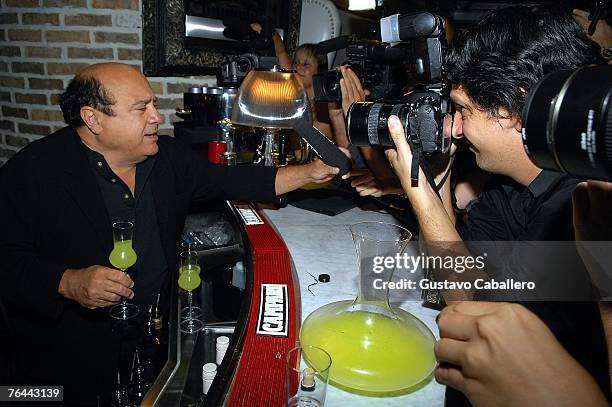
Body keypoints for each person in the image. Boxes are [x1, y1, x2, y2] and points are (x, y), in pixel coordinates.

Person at [0, 62, 341, 406]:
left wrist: (311, 171)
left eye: (152, 104)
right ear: (94, 119)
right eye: (141, 108)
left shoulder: (169, 157)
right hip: (66, 354)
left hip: (151, 333)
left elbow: (235, 181)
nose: (156, 117)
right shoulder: (33, 171)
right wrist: (67, 282)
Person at [374, 5, 609, 405]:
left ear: (516, 108)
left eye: (464, 110)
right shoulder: (516, 190)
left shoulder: (575, 208)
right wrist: (437, 172)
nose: (458, 128)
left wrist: (417, 190)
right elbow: (457, 274)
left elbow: (470, 315)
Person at [434, 180, 612, 407]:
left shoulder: (565, 203)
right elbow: (464, 280)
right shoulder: (503, 192)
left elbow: (473, 308)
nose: (458, 141)